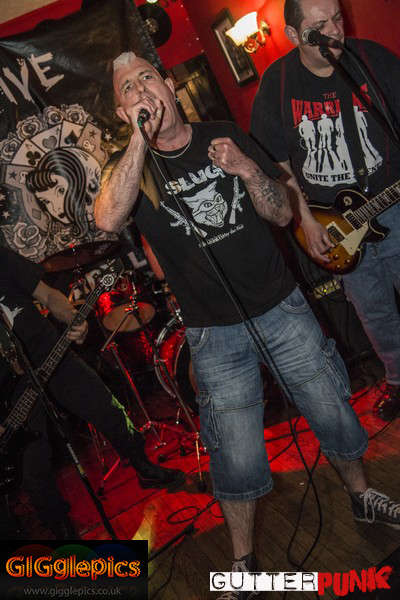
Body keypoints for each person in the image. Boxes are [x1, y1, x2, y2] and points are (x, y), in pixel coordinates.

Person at [94, 51, 400, 597]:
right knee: (233, 447)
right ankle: (243, 562)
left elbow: (281, 213)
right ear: (123, 111)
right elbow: (108, 219)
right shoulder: (129, 170)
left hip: (280, 306)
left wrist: (246, 168)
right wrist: (139, 139)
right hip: (213, 332)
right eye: (128, 89)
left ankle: (361, 496)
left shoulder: (224, 134)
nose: (141, 90)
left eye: (147, 78)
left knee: (329, 406)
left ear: (168, 84)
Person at [250, 0, 400, 422]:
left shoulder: (371, 60)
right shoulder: (278, 83)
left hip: (393, 203)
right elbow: (275, 161)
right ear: (294, 35)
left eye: (336, 18)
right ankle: (397, 378)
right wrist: (305, 218)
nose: (334, 31)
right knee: (373, 310)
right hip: (335, 224)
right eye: (319, 26)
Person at [0, 245, 186, 540]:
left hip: (50, 352)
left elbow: (48, 295)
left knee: (106, 407)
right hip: (11, 387)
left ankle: (142, 466)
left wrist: (72, 318)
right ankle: (60, 526)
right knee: (34, 463)